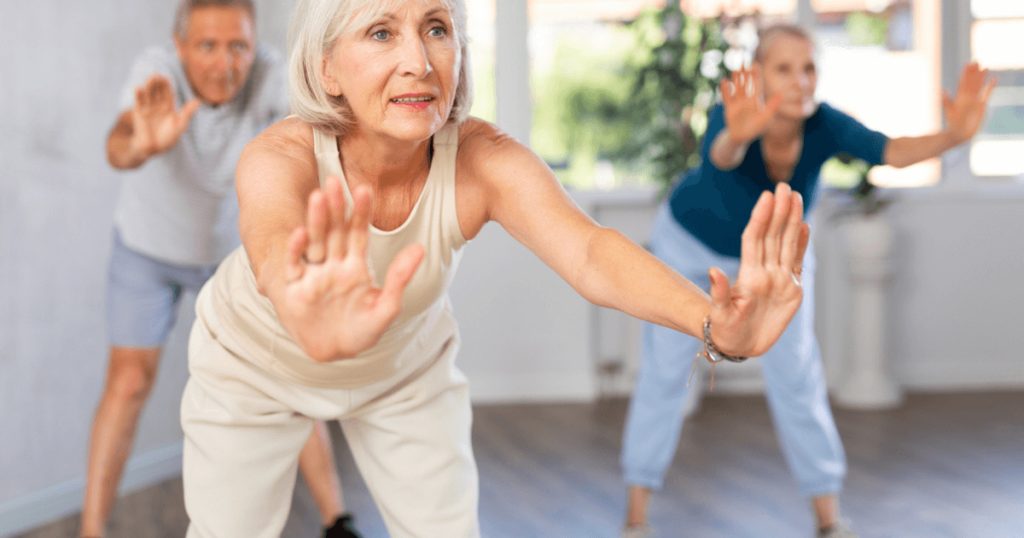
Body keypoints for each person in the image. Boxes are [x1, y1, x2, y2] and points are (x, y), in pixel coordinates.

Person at [177, 1, 815, 537]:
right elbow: (270, 245)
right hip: (253, 369)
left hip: (403, 372)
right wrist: (303, 310)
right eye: (381, 33)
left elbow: (590, 252)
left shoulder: (480, 159)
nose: (419, 62)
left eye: (436, 28)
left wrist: (715, 323)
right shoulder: (280, 157)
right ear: (327, 69)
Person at [619, 24, 995, 538]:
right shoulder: (730, 118)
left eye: (809, 67)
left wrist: (955, 135)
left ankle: (829, 519)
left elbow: (891, 151)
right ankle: (637, 517)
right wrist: (739, 132)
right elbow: (721, 154)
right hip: (688, 251)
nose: (800, 80)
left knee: (797, 377)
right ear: (758, 75)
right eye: (784, 68)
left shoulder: (825, 125)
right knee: (665, 370)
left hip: (776, 260)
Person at [82, 1, 361, 537]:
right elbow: (119, 146)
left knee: (283, 375)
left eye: (239, 46)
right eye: (207, 46)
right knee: (129, 380)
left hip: (234, 256)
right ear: (179, 45)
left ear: (254, 45)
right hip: (150, 250)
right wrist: (139, 143)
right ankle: (91, 531)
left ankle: (337, 521)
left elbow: (329, 132)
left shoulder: (274, 75)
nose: (225, 63)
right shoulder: (155, 72)